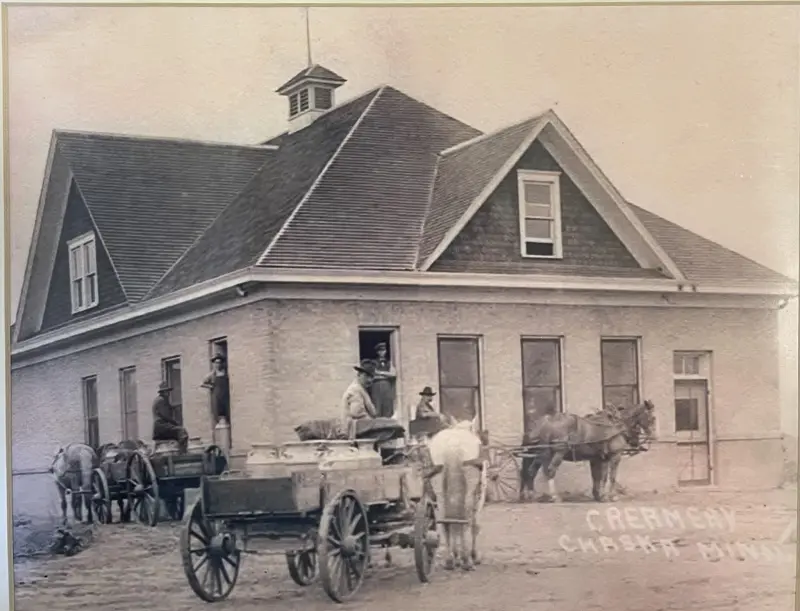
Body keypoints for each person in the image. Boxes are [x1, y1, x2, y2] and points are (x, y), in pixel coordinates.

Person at [341, 359, 378, 437]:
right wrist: (373, 423)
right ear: (359, 375)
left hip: (358, 431)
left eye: (371, 377)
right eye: (366, 376)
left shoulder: (361, 389)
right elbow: (357, 413)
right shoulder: (355, 390)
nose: (369, 380)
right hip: (353, 433)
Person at [152, 381, 189, 453]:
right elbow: (166, 416)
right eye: (167, 392)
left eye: (168, 392)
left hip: (161, 426)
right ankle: (182, 453)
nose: (168, 394)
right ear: (163, 392)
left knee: (177, 434)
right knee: (182, 431)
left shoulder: (160, 400)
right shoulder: (161, 400)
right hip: (161, 426)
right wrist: (176, 423)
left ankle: (177, 450)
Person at [201, 354, 230, 427]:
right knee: (219, 413)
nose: (218, 364)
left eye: (219, 362)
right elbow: (202, 383)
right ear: (214, 364)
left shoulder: (225, 373)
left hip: (225, 395)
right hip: (217, 395)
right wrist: (211, 386)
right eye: (216, 363)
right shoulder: (212, 374)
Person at [370, 342, 397, 418]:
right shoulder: (373, 363)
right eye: (380, 351)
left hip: (387, 387)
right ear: (377, 352)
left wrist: (380, 372)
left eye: (384, 350)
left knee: (387, 406)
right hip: (376, 386)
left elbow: (393, 374)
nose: (382, 352)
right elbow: (372, 375)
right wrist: (386, 375)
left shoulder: (388, 362)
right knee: (377, 406)